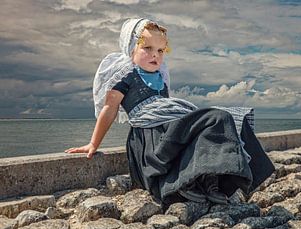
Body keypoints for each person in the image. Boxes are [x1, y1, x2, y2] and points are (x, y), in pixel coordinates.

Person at [65, 18, 274, 205]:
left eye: (160, 50)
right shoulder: (124, 76)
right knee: (217, 117)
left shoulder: (161, 78)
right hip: (152, 138)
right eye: (147, 48)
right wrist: (94, 143)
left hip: (168, 129)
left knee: (227, 117)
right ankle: (183, 182)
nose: (155, 55)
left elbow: (167, 110)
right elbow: (109, 109)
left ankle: (211, 182)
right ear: (130, 49)